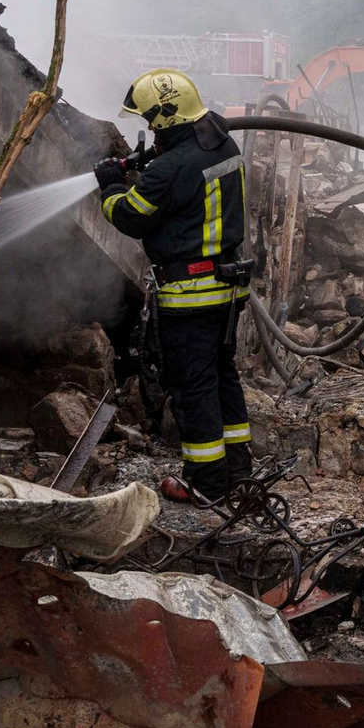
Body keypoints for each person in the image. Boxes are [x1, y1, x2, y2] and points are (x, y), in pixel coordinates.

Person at [95, 68, 253, 503]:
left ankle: (206, 486)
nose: (146, 127)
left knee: (192, 388)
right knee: (223, 376)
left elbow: (130, 216)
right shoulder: (221, 143)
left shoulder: (169, 169)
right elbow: (187, 185)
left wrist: (110, 184)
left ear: (165, 118)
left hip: (191, 293)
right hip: (227, 286)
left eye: (149, 119)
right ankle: (239, 473)